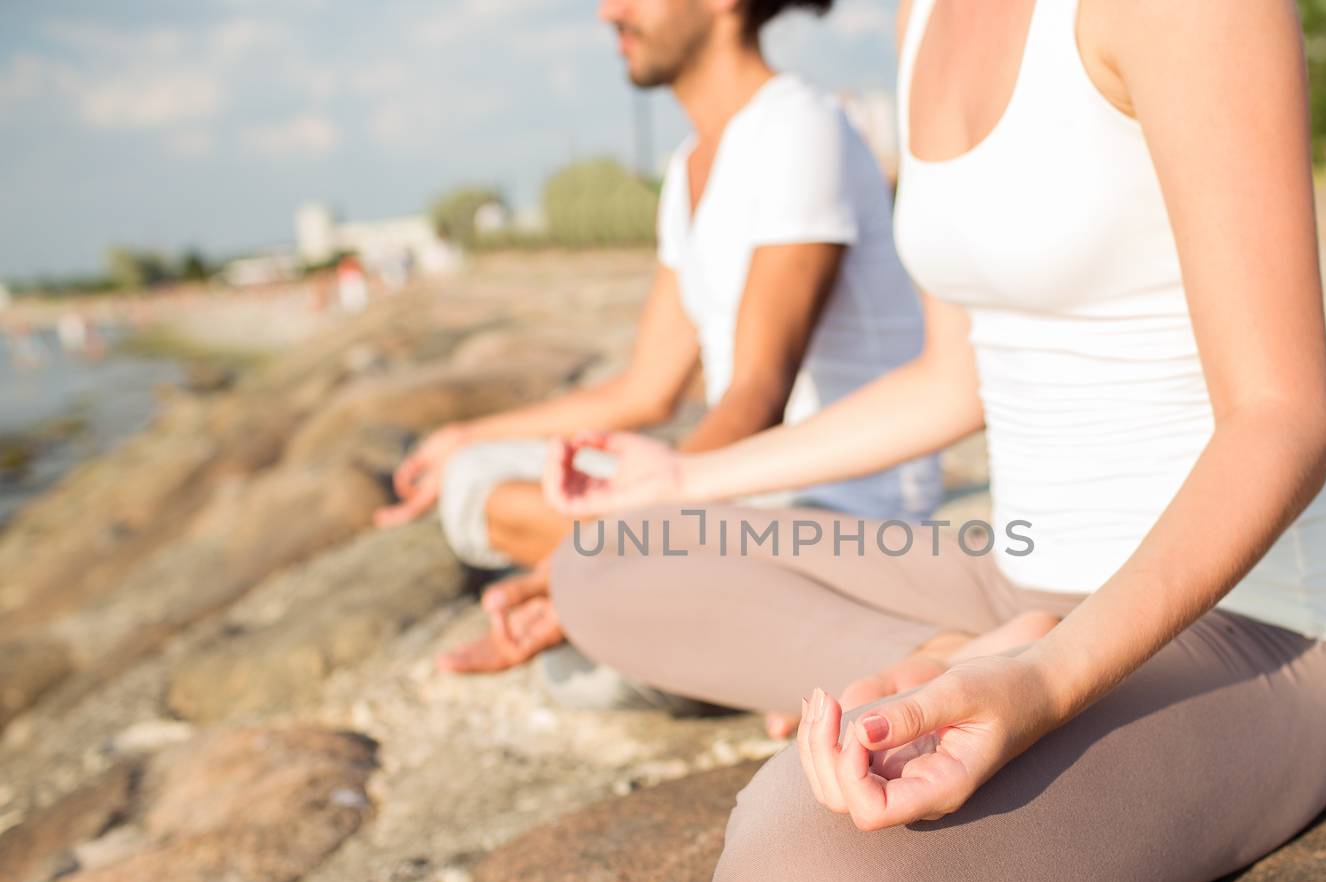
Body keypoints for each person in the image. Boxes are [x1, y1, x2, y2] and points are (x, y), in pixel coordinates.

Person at [540, 0, 1326, 882]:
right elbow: (950, 382)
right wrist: (678, 480)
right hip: (1010, 576)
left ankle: (936, 683)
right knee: (610, 551)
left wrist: (1046, 679)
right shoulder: (920, 18)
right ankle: (929, 656)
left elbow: (1279, 420)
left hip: (1241, 624)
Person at [374, 0, 941, 699]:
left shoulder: (798, 128)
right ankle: (649, 606)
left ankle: (681, 611)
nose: (609, 11)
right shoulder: (690, 167)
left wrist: (621, 538)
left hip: (838, 511)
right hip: (734, 500)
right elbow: (644, 388)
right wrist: (462, 433)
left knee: (587, 677)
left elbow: (757, 393)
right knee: (471, 475)